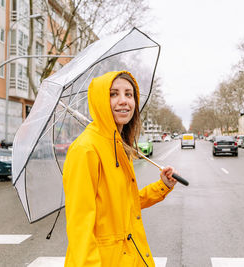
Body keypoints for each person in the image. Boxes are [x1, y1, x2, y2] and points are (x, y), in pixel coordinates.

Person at [62, 71, 178, 266]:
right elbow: (79, 227)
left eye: (129, 94)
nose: (124, 101)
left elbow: (125, 205)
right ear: (100, 100)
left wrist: (162, 186)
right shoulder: (86, 149)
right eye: (113, 94)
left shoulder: (119, 146)